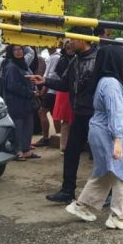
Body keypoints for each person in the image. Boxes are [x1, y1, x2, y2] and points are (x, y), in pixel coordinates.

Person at [63, 44, 123, 230]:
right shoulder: (112, 84)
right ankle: (119, 216)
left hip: (103, 130)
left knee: (106, 172)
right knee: (122, 171)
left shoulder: (105, 80)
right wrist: (118, 140)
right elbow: (115, 112)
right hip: (112, 131)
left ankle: (81, 205)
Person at [42, 32, 100, 202]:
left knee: (100, 155)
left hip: (95, 115)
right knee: (70, 152)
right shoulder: (74, 60)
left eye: (73, 39)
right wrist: (44, 81)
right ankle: (67, 191)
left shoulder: (98, 59)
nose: (70, 43)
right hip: (79, 114)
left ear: (83, 39)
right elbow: (64, 84)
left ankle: (107, 193)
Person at [0, 44, 42, 161]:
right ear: (11, 52)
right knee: (18, 128)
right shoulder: (11, 66)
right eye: (15, 50)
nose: (18, 52)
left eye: (20, 49)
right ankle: (17, 151)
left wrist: (33, 89)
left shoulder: (22, 64)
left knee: (28, 126)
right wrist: (30, 92)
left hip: (26, 102)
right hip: (16, 103)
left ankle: (26, 150)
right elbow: (12, 86)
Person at [50, 40, 75, 154]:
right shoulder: (63, 60)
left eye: (72, 48)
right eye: (68, 48)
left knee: (72, 120)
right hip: (65, 92)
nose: (70, 50)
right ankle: (64, 146)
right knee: (66, 120)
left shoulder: (75, 59)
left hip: (71, 92)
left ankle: (69, 145)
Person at [34, 45, 61, 147]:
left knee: (42, 112)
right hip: (54, 89)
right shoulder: (55, 57)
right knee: (54, 114)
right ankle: (58, 137)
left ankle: (46, 138)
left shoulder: (55, 57)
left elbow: (51, 75)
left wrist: (44, 89)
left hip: (51, 89)